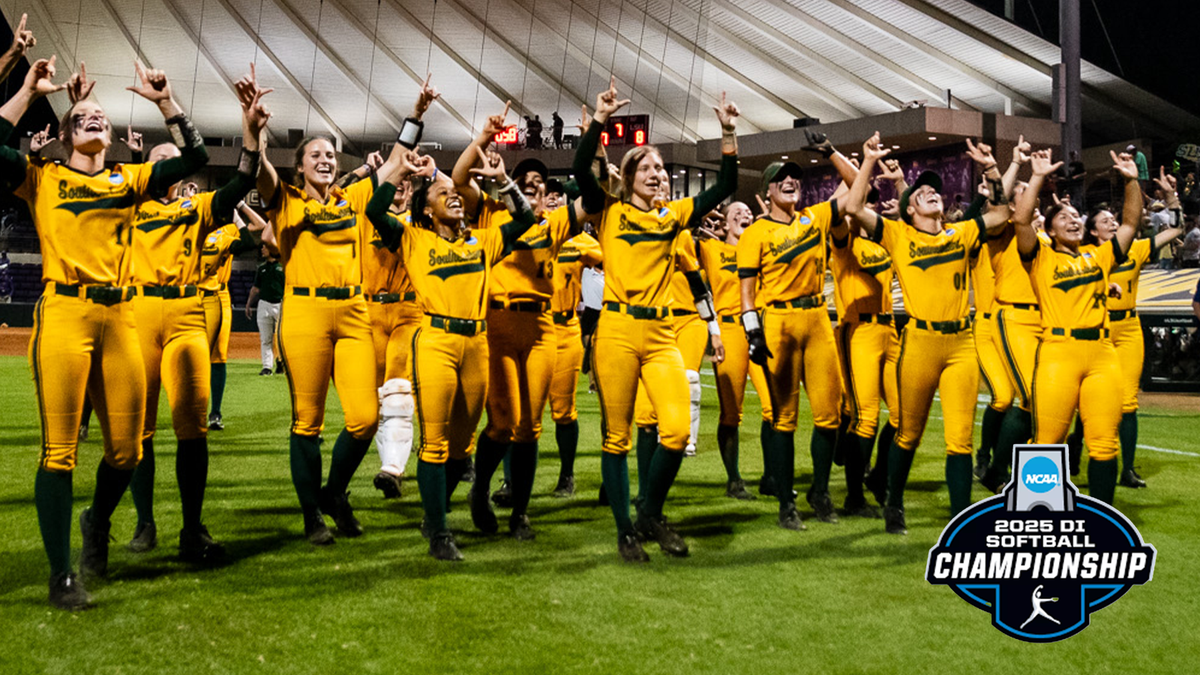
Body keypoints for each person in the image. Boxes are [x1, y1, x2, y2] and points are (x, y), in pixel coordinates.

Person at [1, 55, 209, 609]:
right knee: (59, 452)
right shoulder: (42, 177)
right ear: (68, 133)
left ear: (112, 136)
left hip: (120, 318)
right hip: (65, 312)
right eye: (84, 115)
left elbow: (196, 155)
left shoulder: (131, 180)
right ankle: (60, 574)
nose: (95, 118)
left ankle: (96, 520)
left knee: (126, 452)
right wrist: (26, 90)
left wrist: (165, 102)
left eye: (103, 117)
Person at [573, 78, 738, 561]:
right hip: (618, 331)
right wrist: (601, 118)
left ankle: (649, 511)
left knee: (677, 431)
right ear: (628, 174)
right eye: (647, 166)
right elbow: (583, 167)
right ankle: (626, 529)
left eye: (662, 168)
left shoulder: (673, 217)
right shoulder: (609, 211)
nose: (657, 174)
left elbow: (726, 186)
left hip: (662, 332)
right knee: (617, 438)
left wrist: (727, 132)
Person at [253, 64, 417, 545]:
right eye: (316, 154)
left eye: (330, 154)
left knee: (366, 417)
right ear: (300, 165)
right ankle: (312, 516)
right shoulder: (284, 201)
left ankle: (333, 492)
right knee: (308, 422)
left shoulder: (353, 197)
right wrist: (255, 133)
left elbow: (397, 159)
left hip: (352, 313)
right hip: (303, 313)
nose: (325, 159)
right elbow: (260, 173)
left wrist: (417, 113)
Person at [122, 75, 268, 559]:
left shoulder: (199, 208)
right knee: (137, 432)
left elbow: (243, 180)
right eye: (156, 162)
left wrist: (252, 133)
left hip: (188, 314)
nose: (167, 168)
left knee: (192, 426)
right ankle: (144, 523)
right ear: (146, 172)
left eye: (172, 161)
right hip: (139, 313)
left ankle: (191, 526)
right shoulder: (125, 205)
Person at [367, 148, 538, 560]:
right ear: (425, 208)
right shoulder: (414, 238)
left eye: (455, 192)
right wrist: (400, 172)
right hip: (436, 340)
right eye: (442, 192)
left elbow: (527, 218)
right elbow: (375, 210)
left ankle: (439, 508)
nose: (453, 195)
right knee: (436, 443)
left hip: (477, 345)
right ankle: (439, 530)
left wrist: (504, 181)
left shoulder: (483, 239)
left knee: (462, 449)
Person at [844, 133, 1014, 535]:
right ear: (908, 209)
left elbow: (1004, 213)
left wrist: (991, 168)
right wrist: (868, 160)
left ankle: (961, 520)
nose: (930, 194)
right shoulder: (899, 236)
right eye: (921, 192)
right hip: (919, 342)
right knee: (909, 433)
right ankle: (895, 502)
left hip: (962, 343)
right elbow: (853, 206)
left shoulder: (962, 232)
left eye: (934, 191)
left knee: (960, 439)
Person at [451, 105, 589, 540]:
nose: (533, 193)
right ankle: (481, 491)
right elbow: (458, 179)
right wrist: (483, 139)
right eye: (527, 185)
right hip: (498, 323)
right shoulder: (490, 211)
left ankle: (520, 513)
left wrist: (591, 141)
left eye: (539, 187)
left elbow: (597, 196)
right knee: (502, 423)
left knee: (530, 426)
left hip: (541, 327)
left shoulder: (556, 222)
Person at [738, 137, 859, 530]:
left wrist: (830, 153)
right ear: (768, 190)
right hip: (778, 323)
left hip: (816, 318)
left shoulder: (815, 217)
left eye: (794, 178)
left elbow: (859, 187)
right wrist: (753, 332)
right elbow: (747, 291)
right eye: (782, 179)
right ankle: (786, 502)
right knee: (783, 418)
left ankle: (820, 491)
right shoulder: (755, 233)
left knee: (829, 414)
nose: (791, 182)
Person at [1011, 149, 1142, 505]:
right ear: (1050, 227)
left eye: (1076, 216)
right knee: (1048, 440)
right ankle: (1036, 519)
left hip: (1102, 353)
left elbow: (1130, 223)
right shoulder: (1040, 254)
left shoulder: (1097, 255)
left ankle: (1103, 521)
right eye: (1064, 217)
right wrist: (1036, 176)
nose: (1073, 220)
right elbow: (1021, 222)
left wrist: (1131, 180)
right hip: (1058, 352)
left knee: (1103, 442)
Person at [1077, 180, 1182, 489]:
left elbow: (1175, 229)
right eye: (1105, 221)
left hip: (1127, 329)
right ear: (1094, 232)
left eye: (1114, 219)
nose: (1112, 222)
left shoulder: (1135, 249)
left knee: (1127, 403)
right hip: (1094, 328)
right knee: (1085, 399)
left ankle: (1127, 469)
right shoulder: (1083, 254)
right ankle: (1076, 440)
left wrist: (1172, 196)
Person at [697, 201, 770, 499]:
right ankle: (734, 479)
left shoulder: (763, 248)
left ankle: (771, 476)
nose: (744, 216)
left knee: (774, 409)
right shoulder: (712, 251)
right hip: (728, 330)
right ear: (724, 224)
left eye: (748, 214)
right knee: (731, 414)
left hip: (760, 331)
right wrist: (697, 215)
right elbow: (679, 239)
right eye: (736, 214)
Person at [545, 180, 602, 497]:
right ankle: (510, 482)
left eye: (557, 198)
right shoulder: (524, 235)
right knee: (517, 411)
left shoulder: (582, 242)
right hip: (529, 325)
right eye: (547, 198)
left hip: (565, 327)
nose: (552, 203)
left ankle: (566, 476)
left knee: (563, 410)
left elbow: (615, 262)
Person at [245, 242, 284, 375]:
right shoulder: (261, 268)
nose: (262, 249)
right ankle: (267, 366)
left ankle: (281, 362)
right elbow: (255, 288)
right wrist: (249, 304)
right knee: (265, 338)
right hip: (264, 304)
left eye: (265, 247)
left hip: (281, 304)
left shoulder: (283, 267)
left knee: (281, 338)